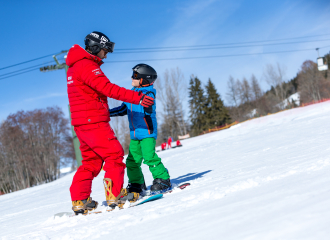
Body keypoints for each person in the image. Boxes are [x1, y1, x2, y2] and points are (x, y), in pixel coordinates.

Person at [66, 31, 155, 215]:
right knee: (114, 155)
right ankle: (115, 195)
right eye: (105, 50)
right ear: (96, 47)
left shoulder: (74, 67)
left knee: (91, 162)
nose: (106, 55)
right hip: (94, 120)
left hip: (81, 124)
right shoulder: (87, 65)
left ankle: (79, 200)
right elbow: (107, 88)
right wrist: (136, 97)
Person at [109, 63, 171, 198]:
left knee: (149, 157)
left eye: (135, 76)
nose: (132, 78)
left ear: (144, 79)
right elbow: (122, 109)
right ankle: (136, 183)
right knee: (132, 161)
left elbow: (148, 103)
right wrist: (106, 113)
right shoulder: (131, 94)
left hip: (147, 132)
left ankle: (163, 179)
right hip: (135, 134)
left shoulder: (148, 93)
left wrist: (145, 104)